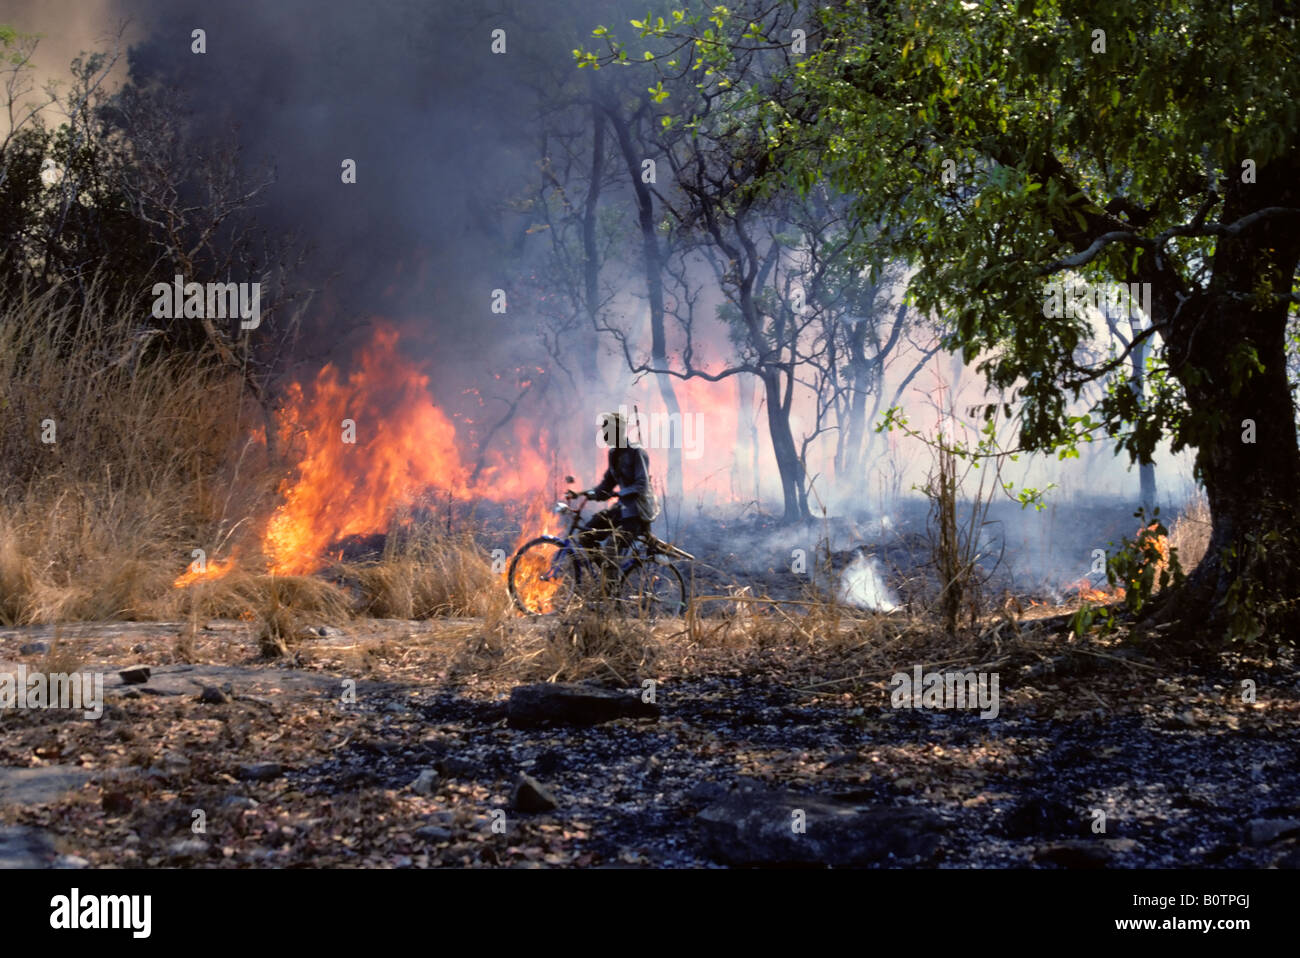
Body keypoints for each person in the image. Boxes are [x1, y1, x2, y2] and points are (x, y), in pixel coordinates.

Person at [569, 412, 657, 558]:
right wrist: (586, 493)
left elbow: (642, 485)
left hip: (637, 513)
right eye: (604, 432)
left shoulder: (636, 452)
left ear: (619, 432)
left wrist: (620, 493)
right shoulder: (613, 454)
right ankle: (600, 574)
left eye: (608, 432)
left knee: (611, 549)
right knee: (585, 534)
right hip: (622, 509)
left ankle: (611, 579)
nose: (605, 437)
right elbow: (607, 484)